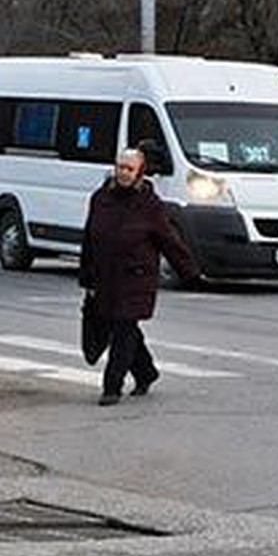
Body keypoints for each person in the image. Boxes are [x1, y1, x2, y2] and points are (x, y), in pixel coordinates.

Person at [80, 147, 200, 406]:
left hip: (136, 278)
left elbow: (170, 241)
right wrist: (87, 276)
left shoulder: (150, 205)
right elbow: (89, 239)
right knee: (122, 327)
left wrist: (190, 273)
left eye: (129, 169)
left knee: (123, 328)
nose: (123, 173)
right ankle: (146, 372)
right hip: (106, 277)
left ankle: (112, 386)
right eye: (120, 167)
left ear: (139, 173)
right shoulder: (101, 198)